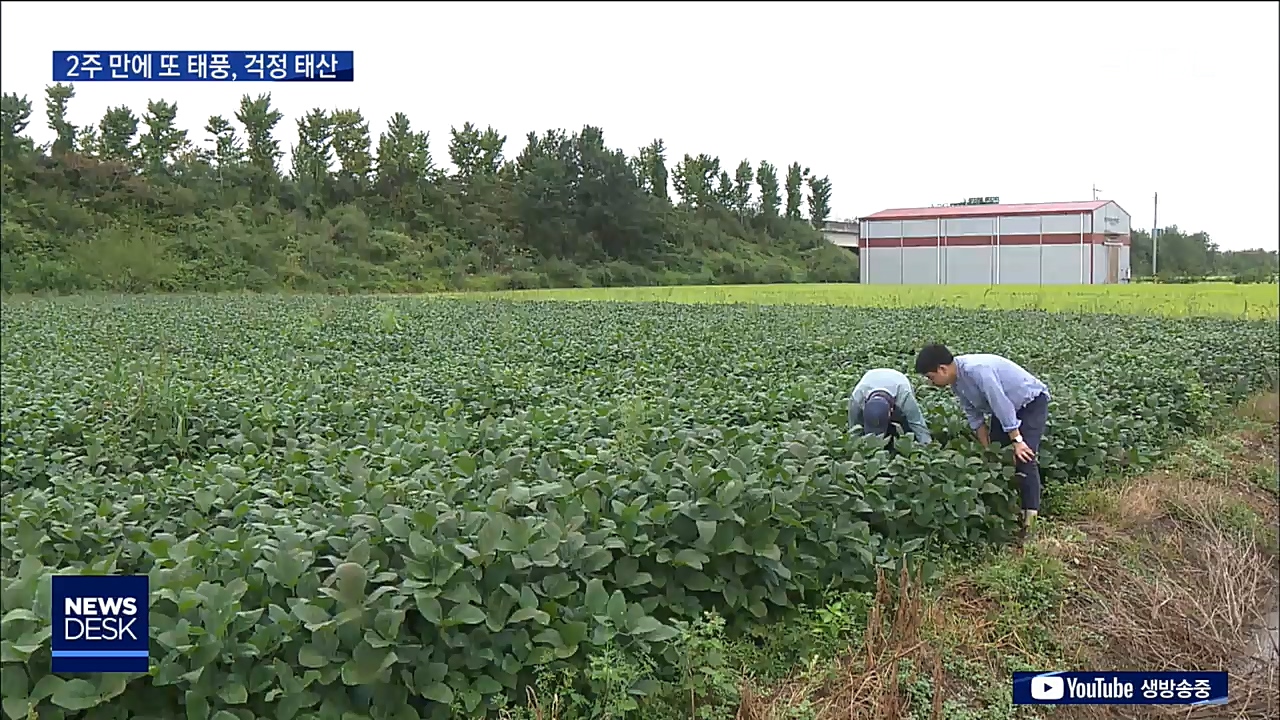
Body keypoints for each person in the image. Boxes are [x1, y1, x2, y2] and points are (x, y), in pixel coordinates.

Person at [914, 344, 1050, 540]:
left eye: (930, 376)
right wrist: (987, 448)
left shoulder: (977, 370)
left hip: (1030, 403)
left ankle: (1031, 522)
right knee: (997, 457)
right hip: (1005, 409)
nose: (930, 382)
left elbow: (1000, 403)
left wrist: (1017, 440)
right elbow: (975, 417)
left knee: (1024, 457)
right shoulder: (957, 382)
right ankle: (1011, 509)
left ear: (942, 369)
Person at [848, 368, 933, 446]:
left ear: (890, 412)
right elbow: (854, 427)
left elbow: (917, 423)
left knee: (906, 427)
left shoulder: (905, 396)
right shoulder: (857, 398)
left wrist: (927, 445)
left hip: (898, 379)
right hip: (871, 377)